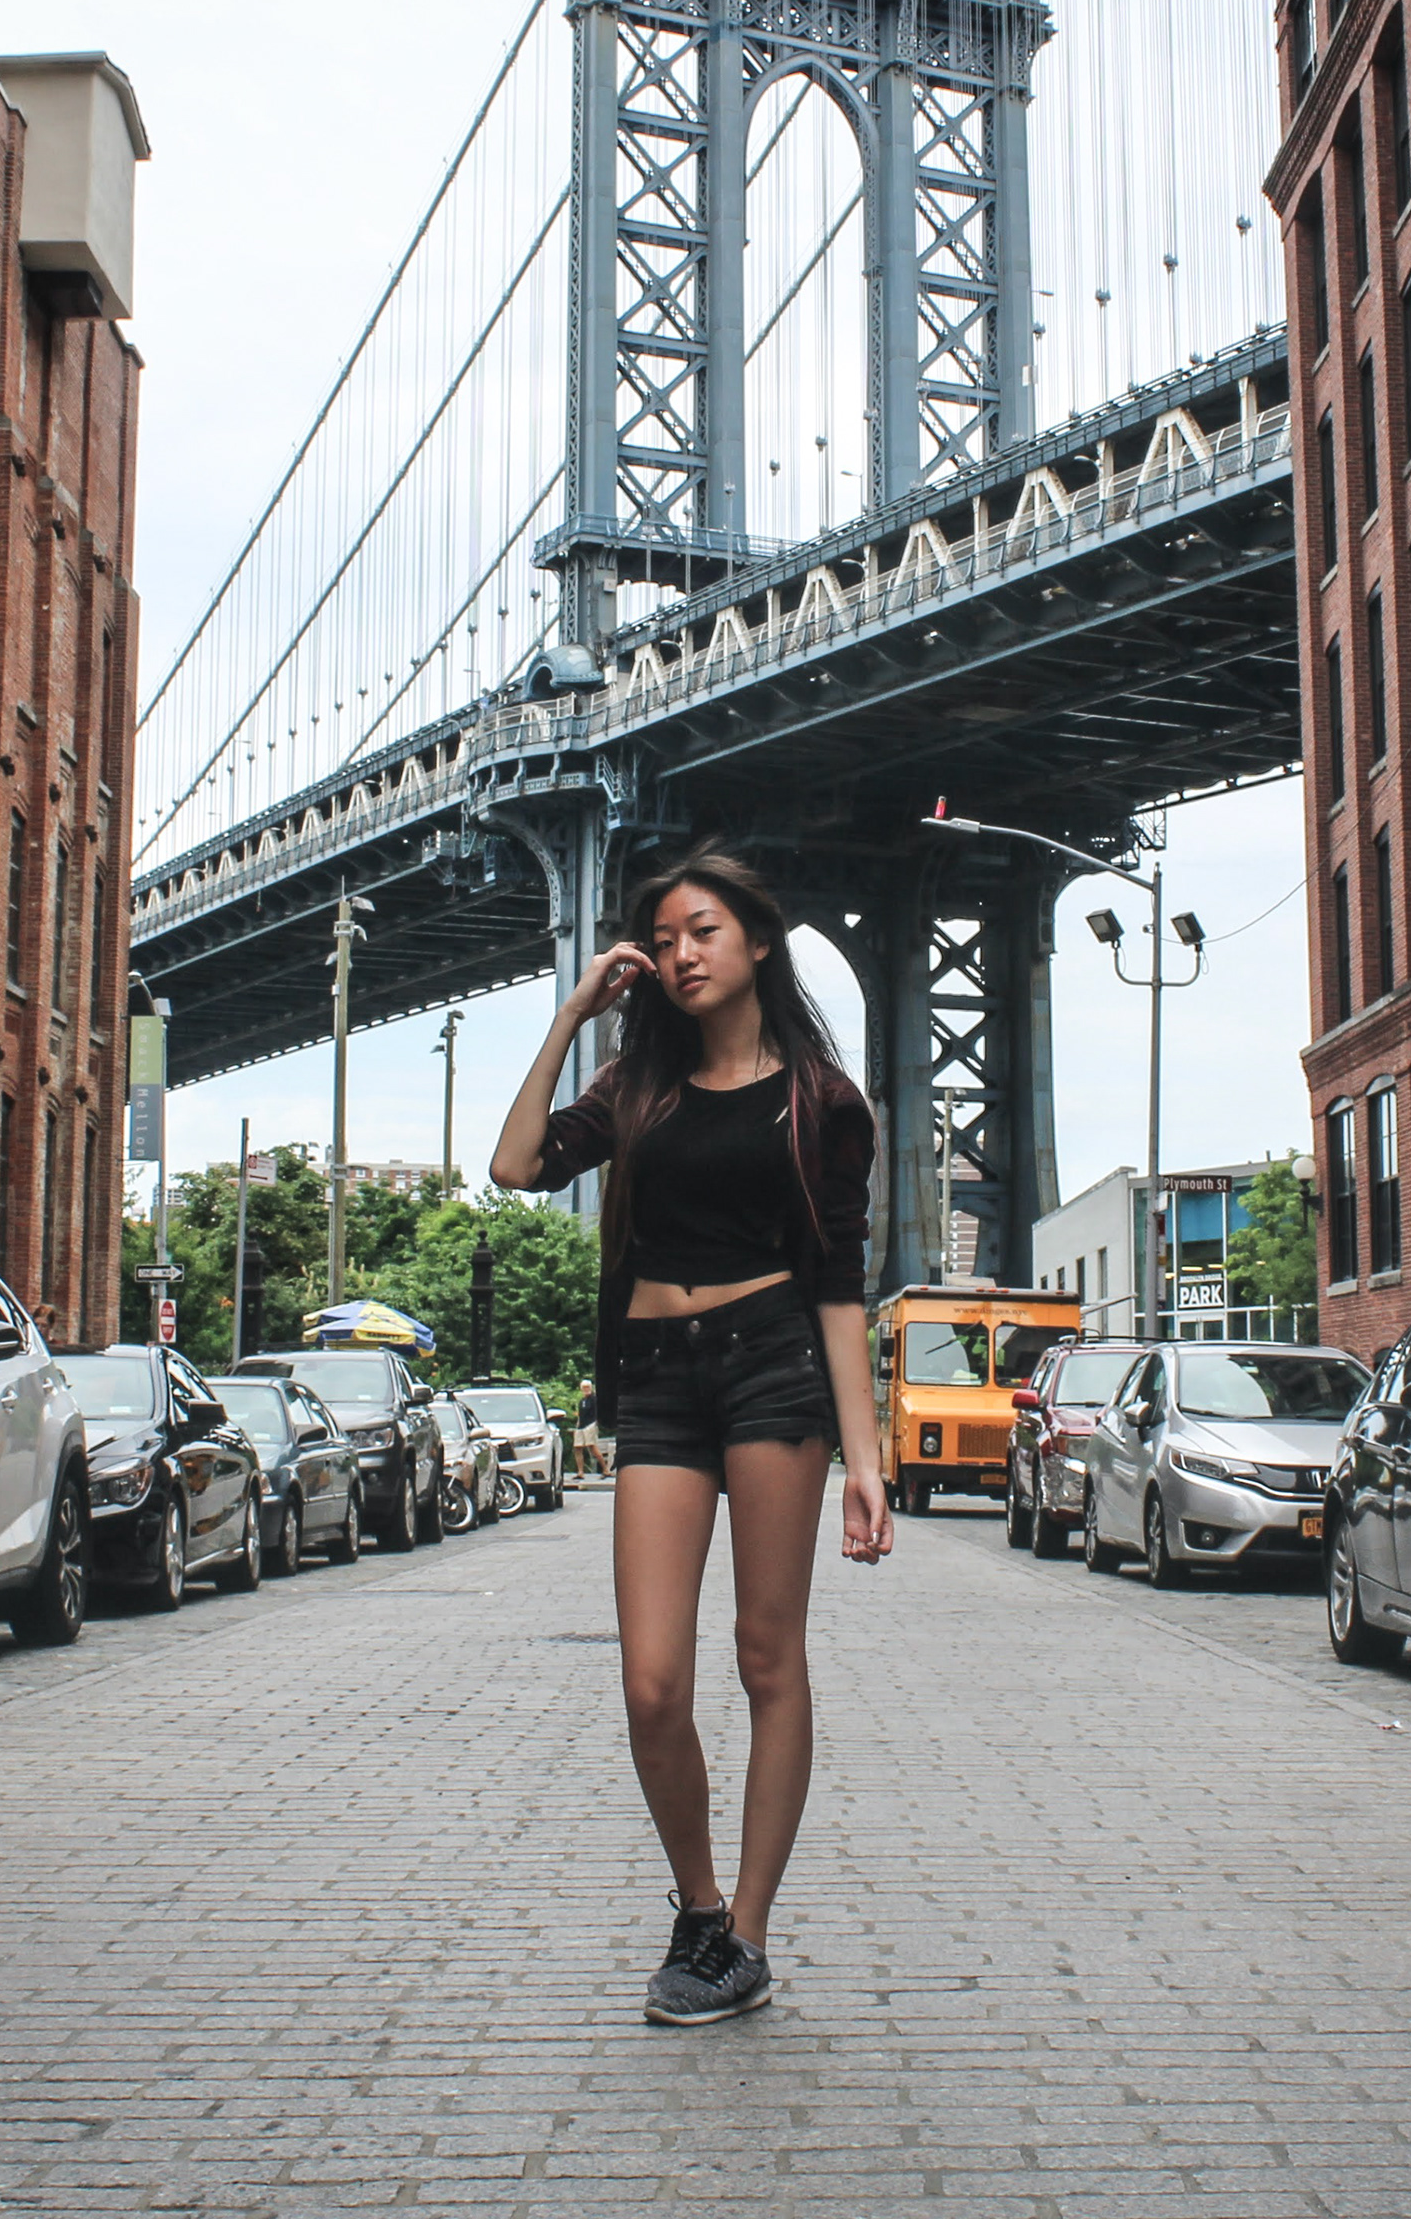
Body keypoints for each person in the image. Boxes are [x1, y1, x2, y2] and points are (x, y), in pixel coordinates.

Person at [489, 849, 888, 2026]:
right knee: (654, 1680)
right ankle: (699, 1905)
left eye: (702, 931)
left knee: (769, 1658)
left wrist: (866, 1462)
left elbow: (838, 1289)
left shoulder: (822, 1100)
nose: (680, 955)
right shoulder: (638, 1086)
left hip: (775, 1372)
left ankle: (748, 1936)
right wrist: (571, 1015)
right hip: (659, 1378)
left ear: (759, 941)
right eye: (662, 940)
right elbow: (515, 1164)